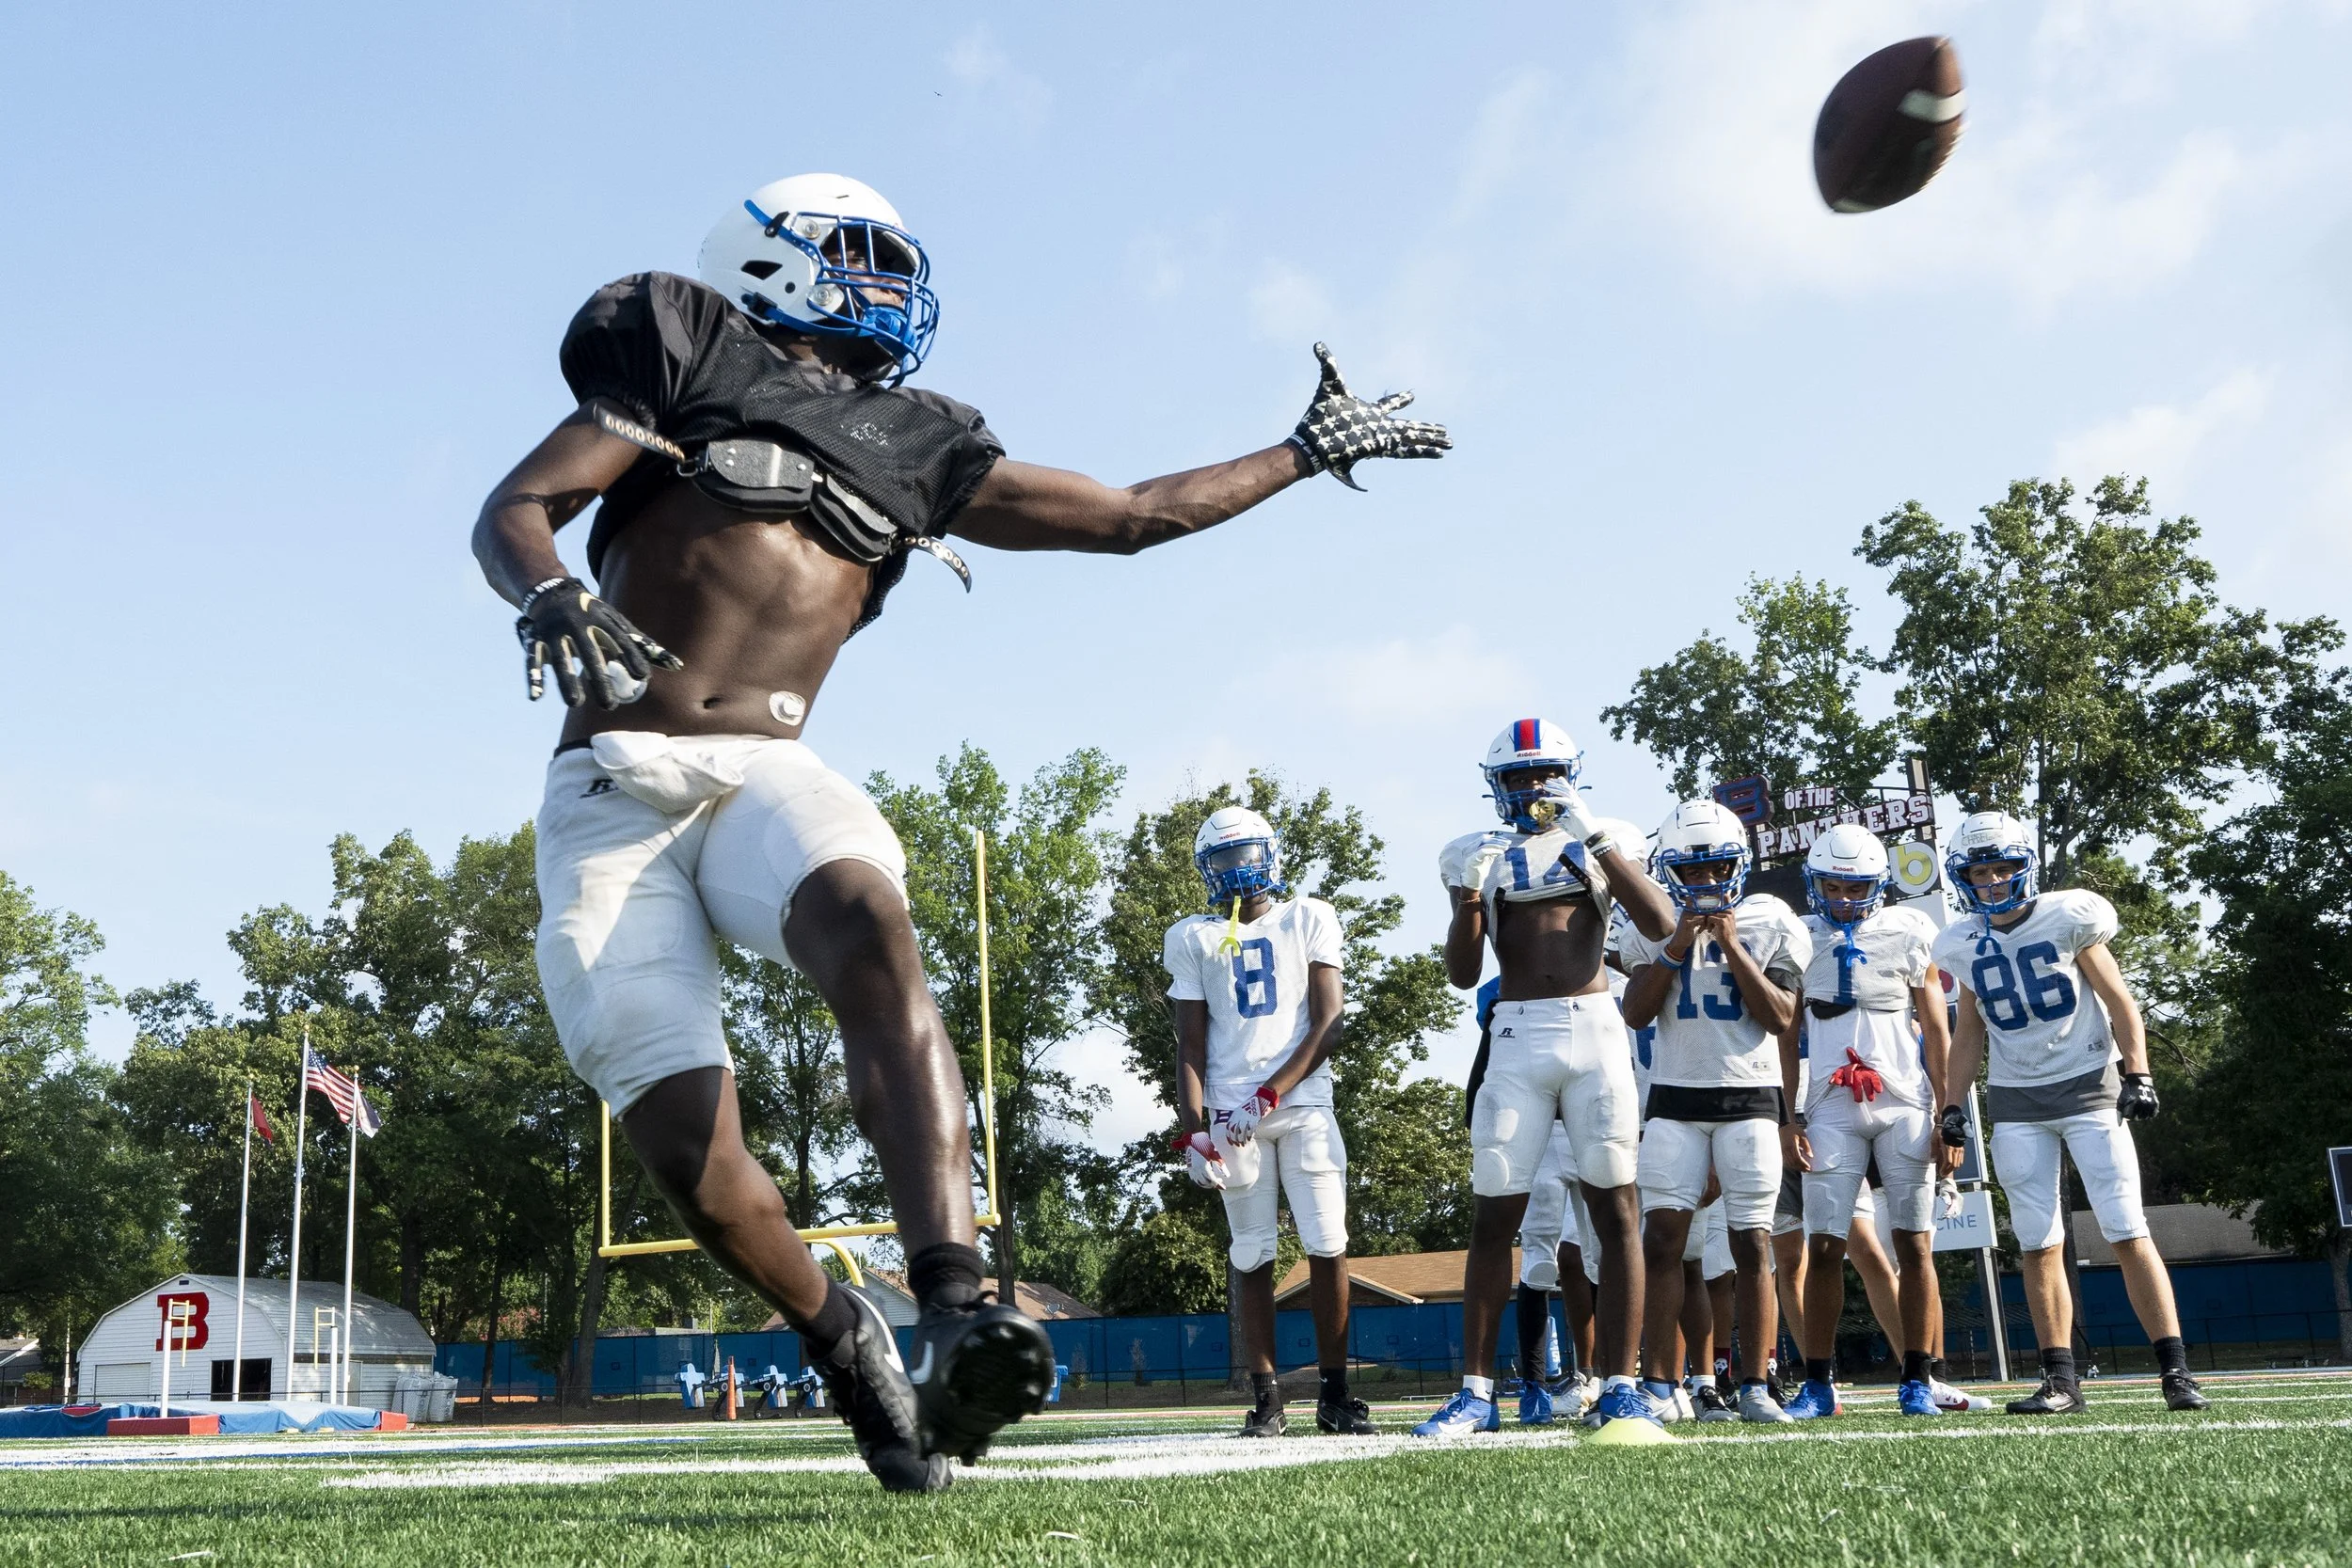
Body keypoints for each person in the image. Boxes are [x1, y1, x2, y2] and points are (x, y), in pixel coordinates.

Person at [471, 174, 1450, 1491]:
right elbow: (517, 505)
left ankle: (955, 1306)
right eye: (855, 251)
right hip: (612, 786)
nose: (883, 277)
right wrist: (547, 594)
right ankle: (843, 1333)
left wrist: (1302, 450)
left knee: (874, 917)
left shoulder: (917, 436)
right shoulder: (686, 347)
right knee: (688, 1156)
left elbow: (1131, 514)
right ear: (766, 259)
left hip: (767, 764)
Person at [1413, 721, 1675, 1435]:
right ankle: (1475, 1391)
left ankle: (1620, 1383)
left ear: (1572, 773)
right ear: (1498, 785)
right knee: (1495, 1215)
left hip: (1596, 1028)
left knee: (1616, 1207)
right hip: (1518, 1035)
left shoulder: (1603, 833)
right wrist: (1468, 900)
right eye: (1520, 777)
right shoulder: (1474, 853)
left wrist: (1599, 846)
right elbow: (1464, 972)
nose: (1534, 789)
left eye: (1547, 773)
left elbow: (1659, 920)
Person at [1932, 811, 2210, 1415]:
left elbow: (2118, 1001)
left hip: (2088, 1087)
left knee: (2126, 1228)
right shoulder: (1959, 941)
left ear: (2024, 867)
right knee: (2038, 1240)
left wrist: (2138, 1072)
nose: (1992, 883)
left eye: (2003, 869)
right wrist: (1953, 1105)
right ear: (1962, 877)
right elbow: (1969, 1032)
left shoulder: (2070, 914)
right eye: (1980, 872)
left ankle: (2176, 1372)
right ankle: (2061, 1379)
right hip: (2016, 1101)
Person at [1166, 807, 1373, 1438]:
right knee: (1252, 1251)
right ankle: (1268, 1396)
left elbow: (1329, 1021)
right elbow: (1190, 1046)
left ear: (1271, 855)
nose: (1239, 871)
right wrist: (1193, 1126)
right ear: (1207, 868)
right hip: (1232, 1114)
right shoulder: (1193, 936)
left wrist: (1270, 1093)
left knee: (1327, 1240)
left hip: (1300, 1100)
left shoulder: (1308, 915)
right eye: (1224, 860)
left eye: (1247, 855)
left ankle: (1336, 1393)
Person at [1618, 799, 1809, 1424]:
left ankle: (1754, 1384)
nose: (1704, 882)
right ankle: (1659, 1384)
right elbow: (1636, 1012)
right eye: (1691, 871)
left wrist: (1730, 945)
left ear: (1740, 863)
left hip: (1750, 1099)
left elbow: (1780, 1015)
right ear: (1667, 870)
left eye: (1717, 867)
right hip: (1674, 1098)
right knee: (1663, 1239)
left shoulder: (1770, 920)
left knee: (1753, 1242)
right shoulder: (1651, 922)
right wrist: (1676, 944)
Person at [1783, 825, 1957, 1419]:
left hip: (1904, 1099)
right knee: (1826, 1245)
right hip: (1829, 1103)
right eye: (1834, 884)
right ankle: (1818, 1384)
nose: (1846, 897)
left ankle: (1917, 1379)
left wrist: (1947, 1112)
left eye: (1856, 886)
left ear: (1877, 885)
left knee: (1914, 1243)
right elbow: (1786, 1037)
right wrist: (1790, 1116)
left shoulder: (1908, 929)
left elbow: (1937, 1029)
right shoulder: (1799, 937)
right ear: (1816, 883)